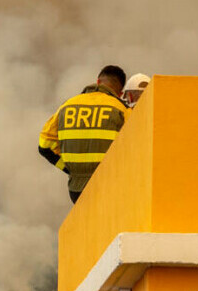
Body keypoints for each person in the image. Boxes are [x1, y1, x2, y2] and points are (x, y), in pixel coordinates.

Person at [38, 65, 130, 202]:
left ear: (98, 82)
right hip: (109, 186)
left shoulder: (67, 106)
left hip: (76, 189)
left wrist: (70, 170)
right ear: (120, 93)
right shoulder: (122, 110)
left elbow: (44, 146)